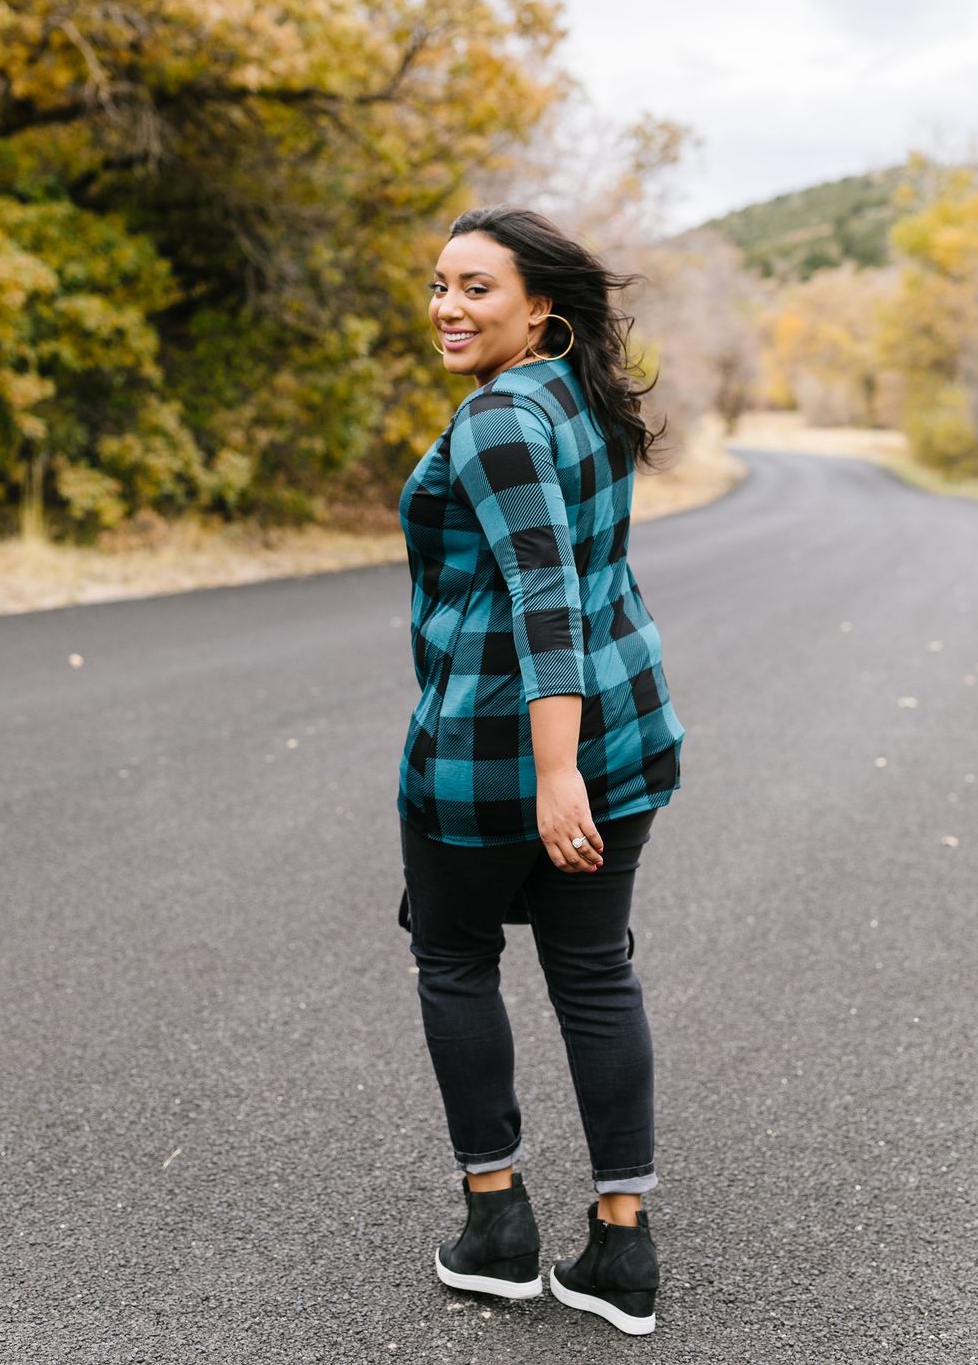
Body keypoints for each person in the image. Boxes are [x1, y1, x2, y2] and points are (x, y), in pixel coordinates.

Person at [396, 205, 685, 1337]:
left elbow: (544, 596)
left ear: (540, 307)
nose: (448, 307)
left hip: (498, 747)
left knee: (456, 956)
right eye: (439, 285)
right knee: (594, 971)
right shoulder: (583, 400)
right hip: (625, 727)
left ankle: (498, 1227)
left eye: (476, 288)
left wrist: (552, 774)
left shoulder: (501, 419)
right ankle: (621, 1245)